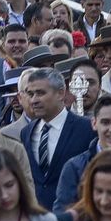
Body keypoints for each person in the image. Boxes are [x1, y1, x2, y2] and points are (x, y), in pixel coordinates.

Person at [20, 68, 95, 209]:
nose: (34, 100)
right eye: (30, 94)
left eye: (40, 93)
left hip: (75, 218)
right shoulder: (26, 132)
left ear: (61, 93)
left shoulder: (87, 129)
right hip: (38, 219)